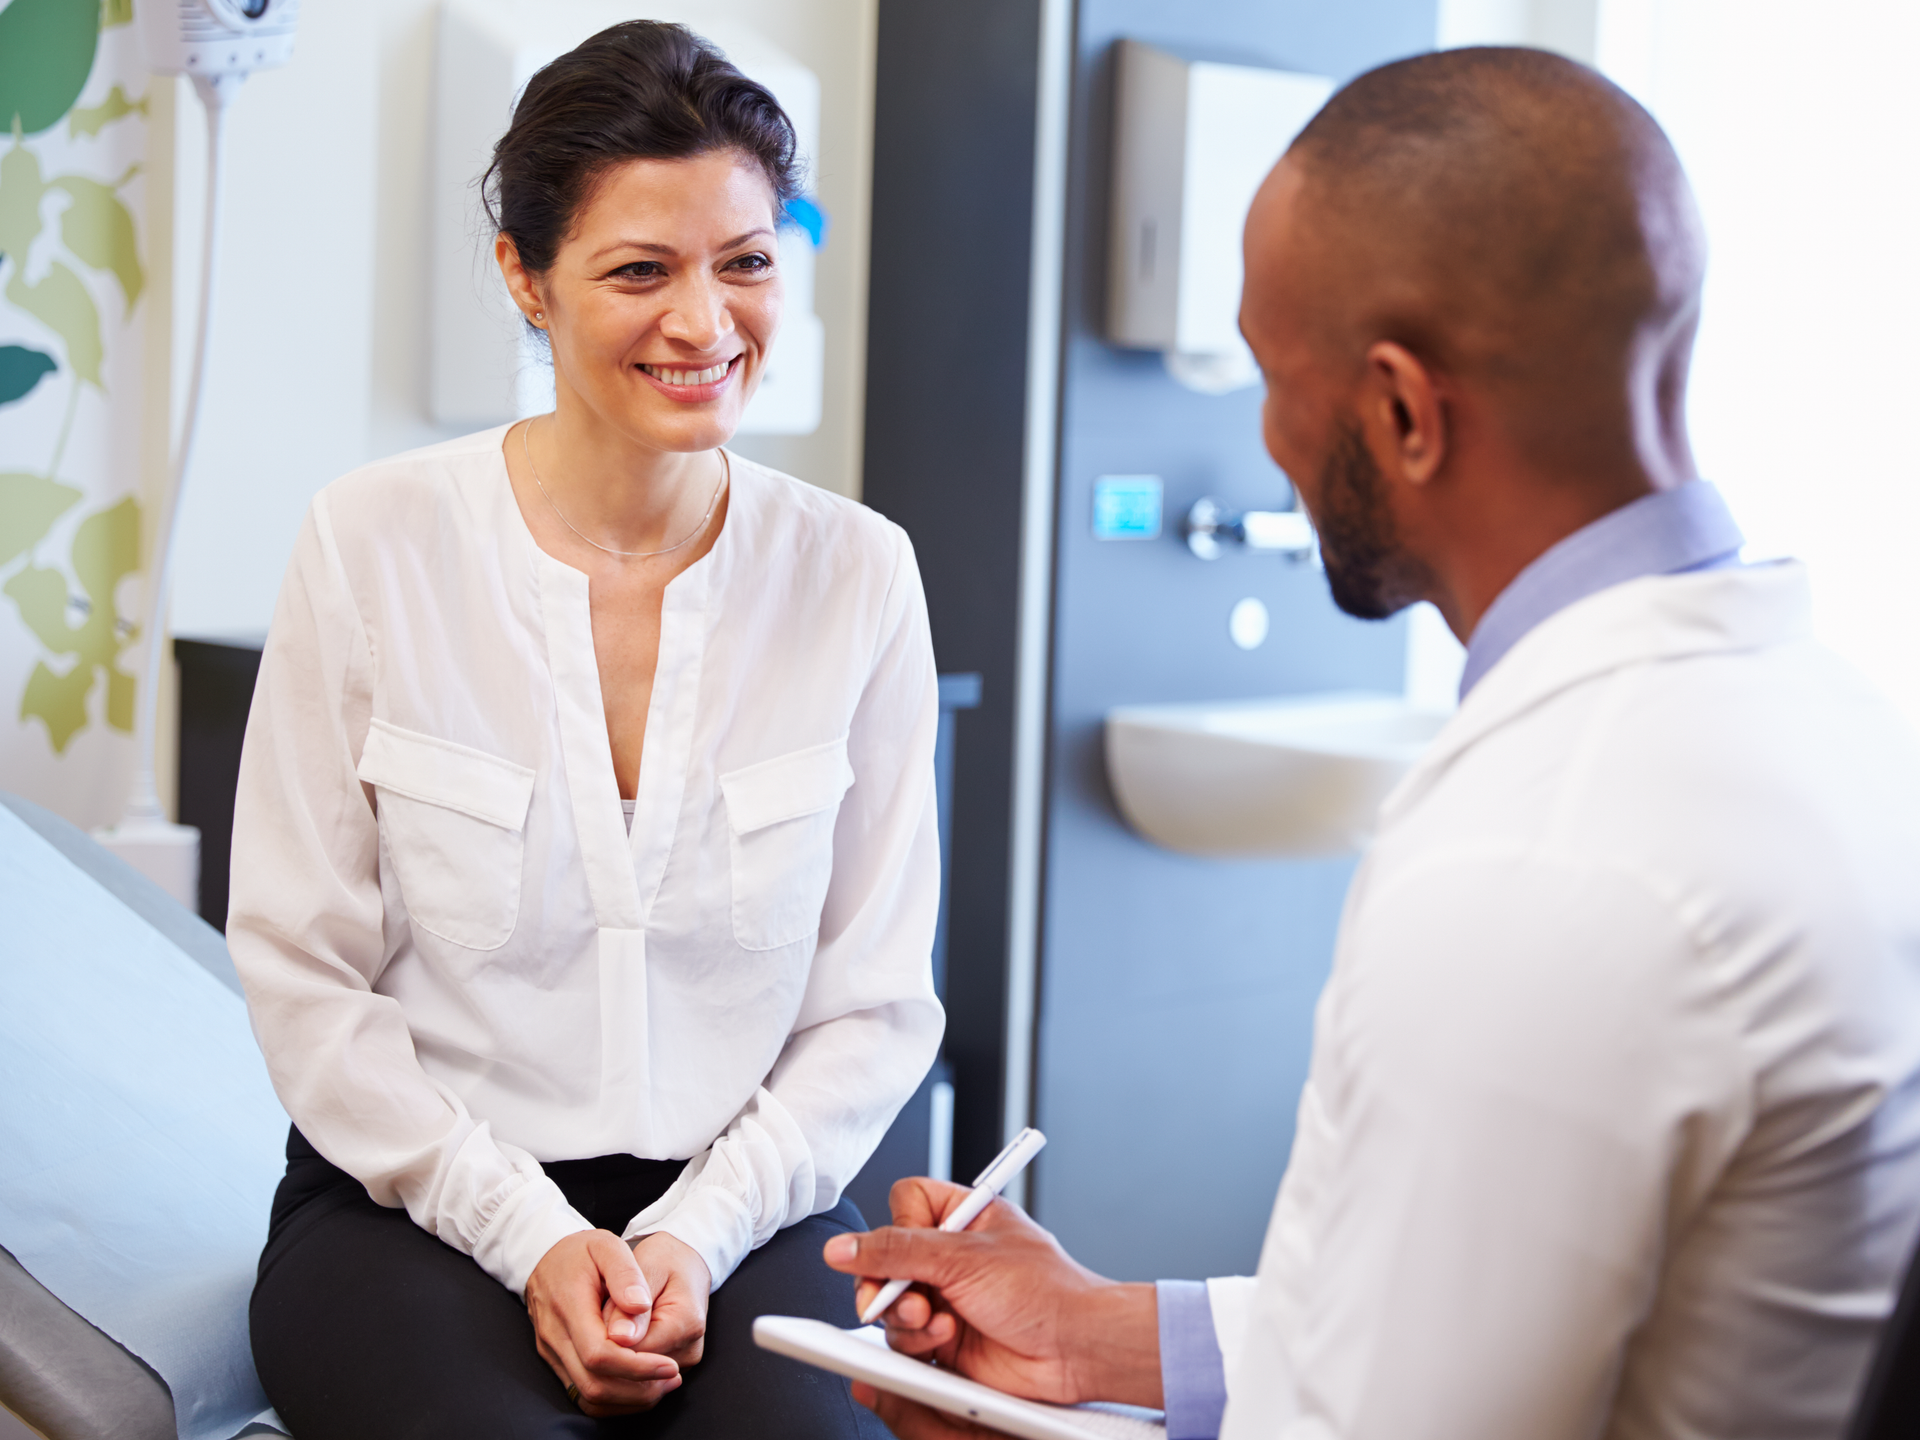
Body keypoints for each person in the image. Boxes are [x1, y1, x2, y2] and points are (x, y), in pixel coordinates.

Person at [825, 46, 1920, 1440]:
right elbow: (1479, 1320)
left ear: (1402, 411)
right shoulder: (1836, 721)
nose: (1268, 436)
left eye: (1271, 374)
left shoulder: (1541, 853)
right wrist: (1101, 1335)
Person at [227, 22, 939, 1439]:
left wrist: (693, 1237)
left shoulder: (859, 574)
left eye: (745, 262)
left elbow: (869, 1003)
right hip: (408, 1205)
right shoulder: (373, 543)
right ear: (525, 278)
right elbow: (305, 972)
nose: (706, 323)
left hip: (741, 1208)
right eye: (639, 271)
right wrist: (533, 1238)